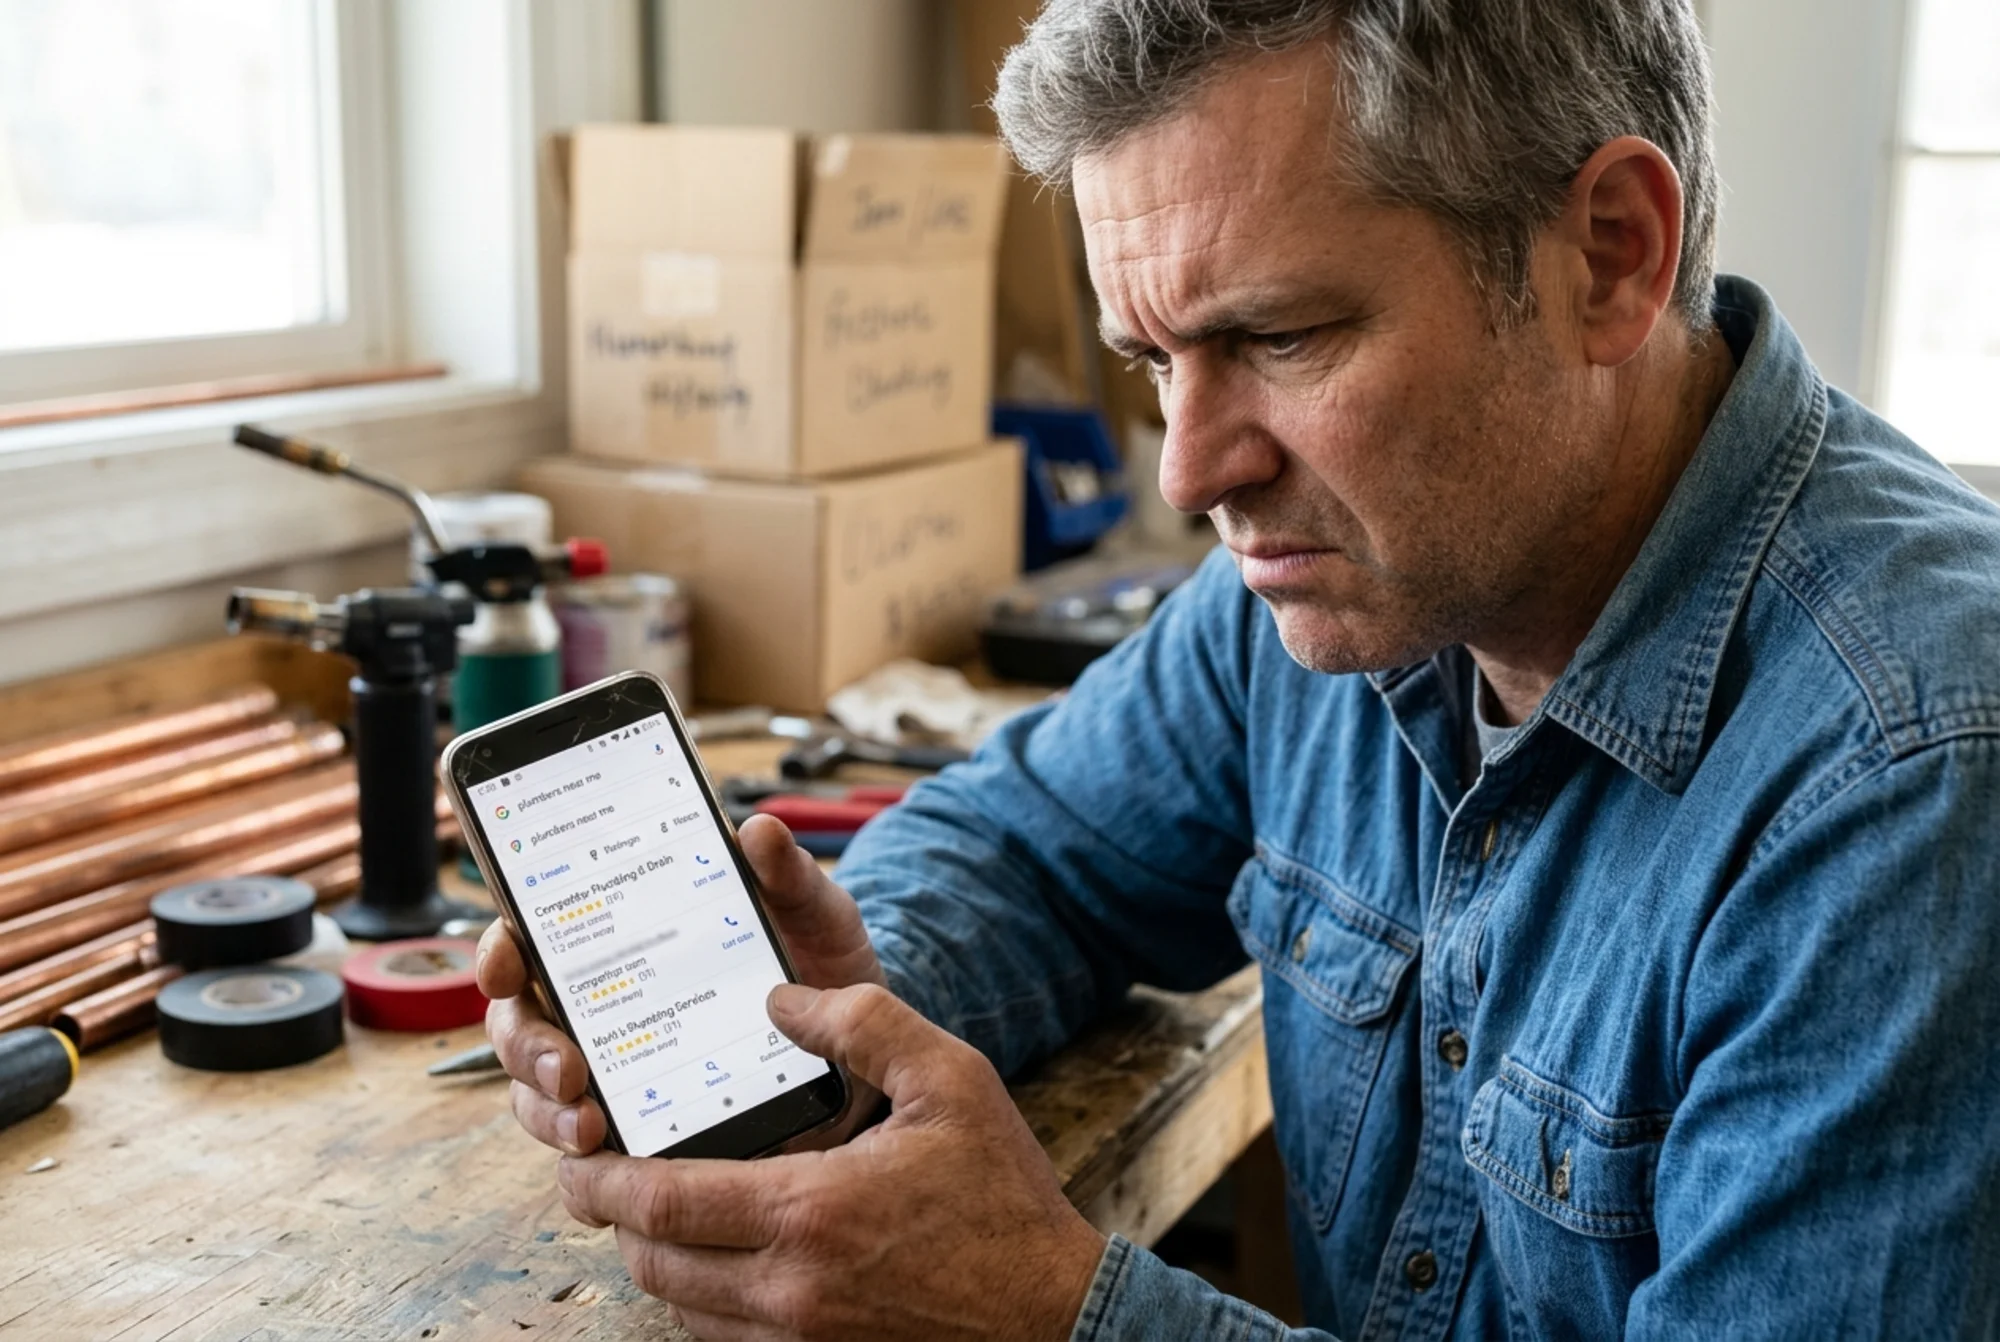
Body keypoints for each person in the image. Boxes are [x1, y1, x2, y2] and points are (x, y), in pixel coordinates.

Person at [477, 0, 2000, 1336]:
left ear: (1609, 255)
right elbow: (1026, 847)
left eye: (1276, 335)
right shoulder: (1335, 584)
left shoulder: (1913, 774)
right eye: (1152, 362)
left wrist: (1050, 1313)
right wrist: (828, 1016)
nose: (1191, 472)